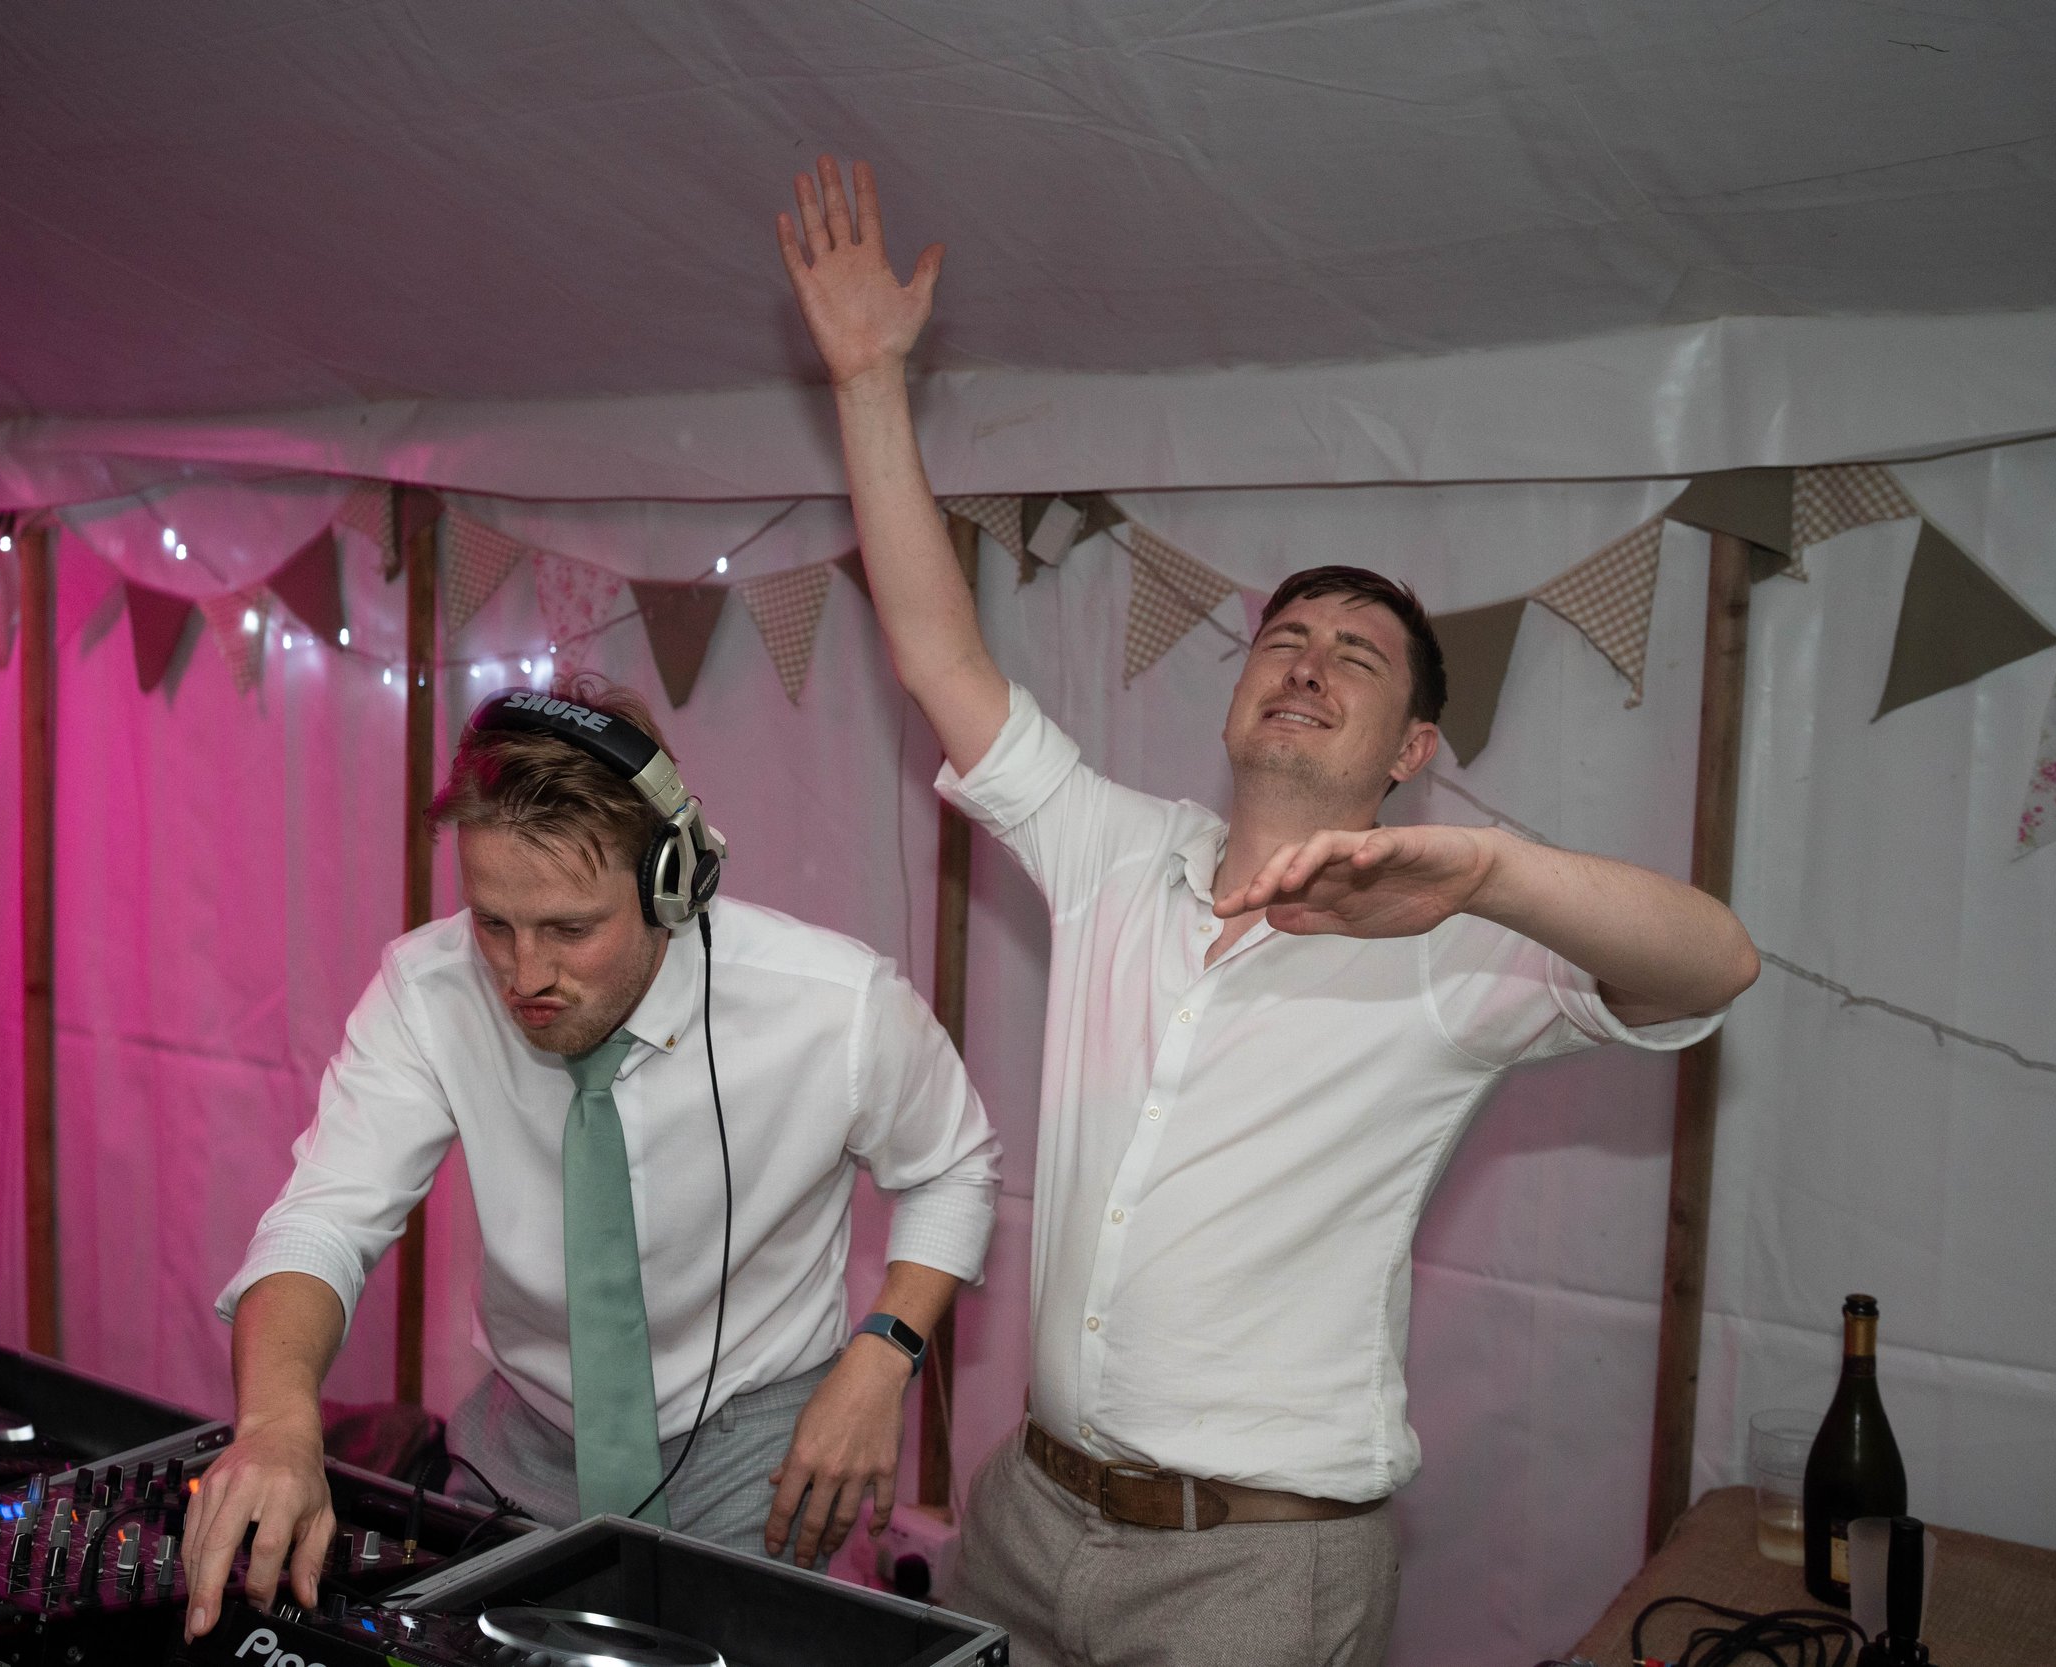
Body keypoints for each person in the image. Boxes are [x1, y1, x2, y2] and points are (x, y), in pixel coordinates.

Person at [776, 157, 1761, 1667]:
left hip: (1259, 1571)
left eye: (1358, 658)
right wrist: (864, 384)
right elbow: (938, 657)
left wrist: (1491, 869)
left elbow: (1717, 960)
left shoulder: (1450, 932)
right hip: (1025, 1519)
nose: (1306, 662)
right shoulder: (1118, 851)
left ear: (1413, 749)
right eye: (1285, 637)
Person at [179, 676, 1001, 1639]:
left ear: (672, 882)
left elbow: (955, 1165)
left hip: (764, 1456)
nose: (525, 974)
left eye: (571, 929)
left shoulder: (836, 1005)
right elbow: (325, 1215)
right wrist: (277, 1420)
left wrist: (884, 1353)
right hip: (522, 1441)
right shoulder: (427, 989)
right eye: (493, 923)